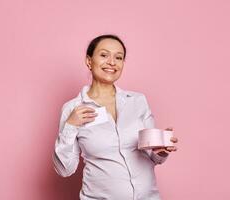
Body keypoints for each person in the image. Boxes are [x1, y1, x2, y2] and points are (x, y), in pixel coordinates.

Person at [52, 34, 178, 200]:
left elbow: (152, 157)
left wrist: (160, 152)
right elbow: (65, 169)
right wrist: (70, 126)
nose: (112, 62)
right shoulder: (73, 108)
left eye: (119, 57)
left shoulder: (138, 101)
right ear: (89, 61)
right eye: (104, 55)